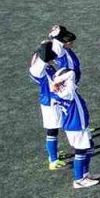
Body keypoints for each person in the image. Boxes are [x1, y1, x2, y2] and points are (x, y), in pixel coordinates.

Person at [51, 68, 100, 188]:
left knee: (90, 146)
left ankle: (85, 174)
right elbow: (71, 74)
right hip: (76, 126)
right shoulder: (68, 92)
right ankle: (79, 180)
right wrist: (57, 80)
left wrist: (56, 82)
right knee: (80, 152)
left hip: (78, 125)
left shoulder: (62, 91)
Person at [28, 40, 66, 171]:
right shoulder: (37, 71)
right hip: (50, 103)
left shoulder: (47, 67)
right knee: (52, 130)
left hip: (55, 101)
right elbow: (43, 57)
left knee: (56, 129)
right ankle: (53, 160)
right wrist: (44, 46)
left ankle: (54, 154)